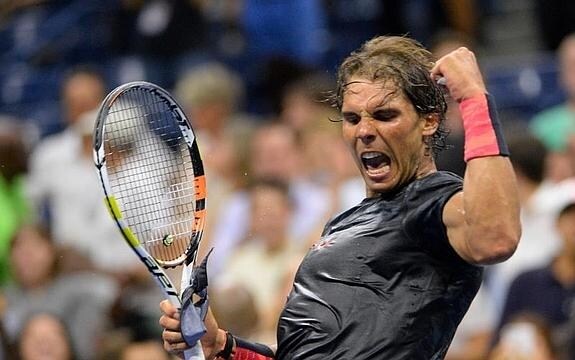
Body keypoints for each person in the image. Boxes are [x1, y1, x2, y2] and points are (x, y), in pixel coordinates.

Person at [159, 35, 521, 359]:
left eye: (385, 115)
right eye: (351, 118)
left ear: (428, 121)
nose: (364, 131)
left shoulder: (435, 201)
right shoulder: (345, 223)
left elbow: (495, 236)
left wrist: (473, 98)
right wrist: (222, 346)